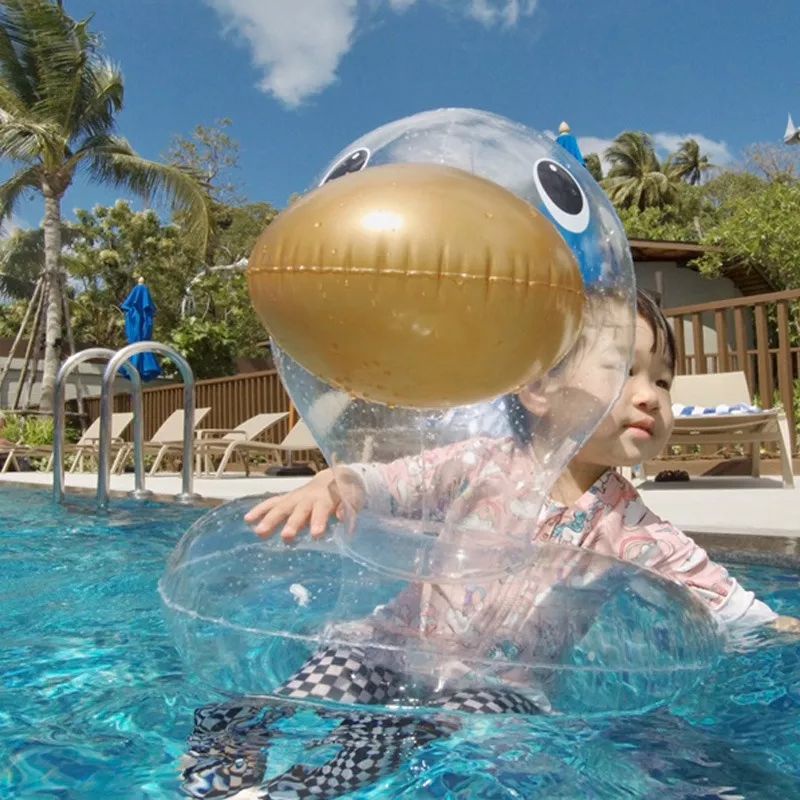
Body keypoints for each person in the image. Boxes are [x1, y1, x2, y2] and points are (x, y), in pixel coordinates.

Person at [182, 291, 797, 799]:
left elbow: (740, 610)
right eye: (623, 371)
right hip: (395, 645)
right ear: (540, 389)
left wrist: (782, 628)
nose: (650, 395)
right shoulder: (478, 464)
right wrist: (333, 483)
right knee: (299, 690)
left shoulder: (636, 529)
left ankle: (295, 792)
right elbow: (387, 484)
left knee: (413, 733)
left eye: (662, 380)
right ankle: (222, 767)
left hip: (503, 689)